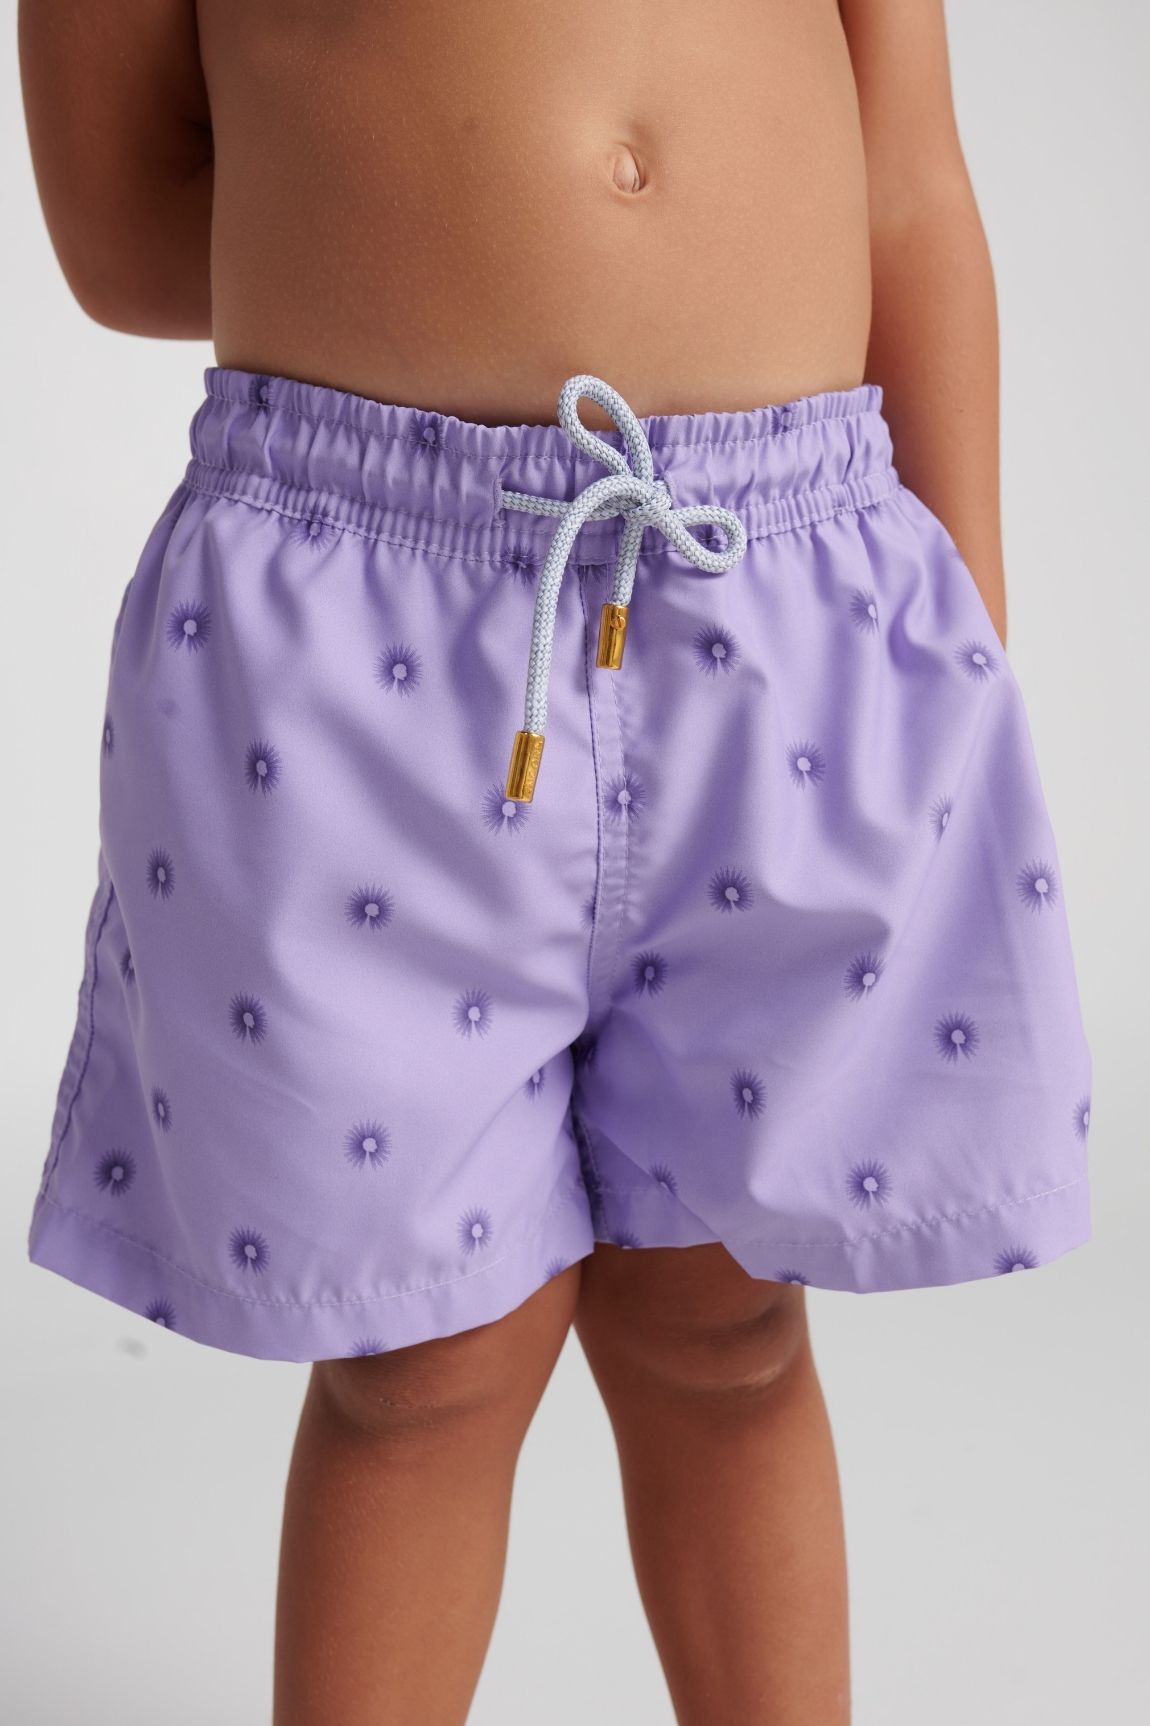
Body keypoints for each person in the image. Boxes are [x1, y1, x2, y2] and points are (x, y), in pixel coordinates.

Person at [18, 3, 1092, 1722]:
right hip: (358, 641)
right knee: (418, 1362)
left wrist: (963, 634)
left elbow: (906, 186)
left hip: (789, 616)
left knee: (726, 1324)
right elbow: (121, 222)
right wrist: (434, 220)